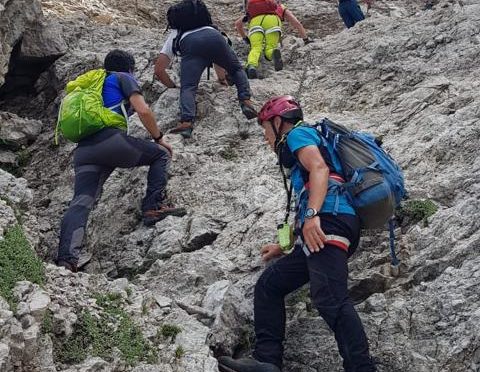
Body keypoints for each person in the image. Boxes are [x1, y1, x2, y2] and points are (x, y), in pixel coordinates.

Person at [218, 96, 376, 372]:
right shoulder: (301, 148)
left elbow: (319, 169)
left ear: (278, 122)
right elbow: (313, 187)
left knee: (330, 297)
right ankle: (267, 361)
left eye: (266, 130)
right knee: (270, 286)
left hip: (330, 221)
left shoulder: (297, 134)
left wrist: (313, 216)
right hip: (326, 223)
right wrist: (287, 241)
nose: (266, 138)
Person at [55, 49, 186, 273]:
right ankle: (153, 207)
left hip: (85, 151)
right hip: (112, 142)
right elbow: (143, 110)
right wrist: (159, 138)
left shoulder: (92, 85)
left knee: (81, 203)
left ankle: (66, 260)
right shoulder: (122, 77)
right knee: (160, 154)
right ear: (130, 68)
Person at [154, 0, 258, 139]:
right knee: (236, 69)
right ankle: (246, 102)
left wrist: (173, 86)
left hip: (191, 44)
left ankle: (186, 123)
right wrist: (221, 79)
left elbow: (159, 69)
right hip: (215, 39)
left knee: (189, 87)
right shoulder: (212, 28)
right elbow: (220, 61)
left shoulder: (177, 33)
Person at [234, 0, 311, 79]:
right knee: (270, 47)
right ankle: (273, 53)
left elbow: (238, 24)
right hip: (273, 21)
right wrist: (306, 39)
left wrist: (245, 38)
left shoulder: (254, 8)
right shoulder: (279, 6)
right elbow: (296, 23)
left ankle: (251, 66)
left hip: (255, 22)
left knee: (256, 48)